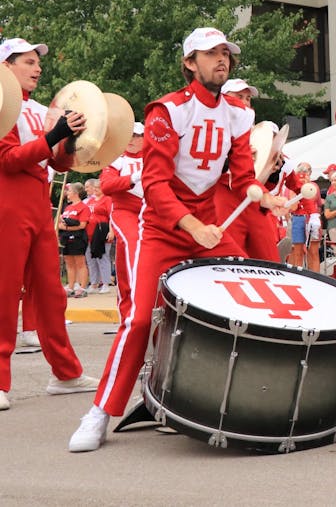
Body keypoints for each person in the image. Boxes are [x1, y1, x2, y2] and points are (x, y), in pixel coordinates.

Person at [69, 27, 283, 451]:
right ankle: (99, 412)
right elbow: (156, 184)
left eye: (226, 53)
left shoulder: (239, 115)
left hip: (209, 228)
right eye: (210, 54)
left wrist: (263, 196)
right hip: (165, 231)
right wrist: (191, 226)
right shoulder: (167, 111)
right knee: (141, 319)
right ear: (189, 63)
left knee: (256, 295)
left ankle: (251, 398)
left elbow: (240, 178)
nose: (221, 59)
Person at [1, 36, 100, 412]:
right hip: (7, 199)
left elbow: (59, 164)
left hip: (38, 203)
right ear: (6, 67)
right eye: (28, 61)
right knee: (5, 291)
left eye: (37, 61)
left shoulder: (42, 109)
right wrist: (55, 135)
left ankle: (65, 372)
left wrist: (68, 140)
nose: (37, 68)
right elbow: (8, 160)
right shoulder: (2, 104)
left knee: (51, 292)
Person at [214, 80, 287, 261]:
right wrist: (230, 158)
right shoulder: (213, 127)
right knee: (229, 261)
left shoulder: (254, 133)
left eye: (248, 98)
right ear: (223, 99)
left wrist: (273, 168)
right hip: (224, 199)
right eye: (239, 97)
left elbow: (263, 182)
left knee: (268, 260)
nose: (245, 102)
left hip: (253, 201)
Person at [99, 122, 145, 326]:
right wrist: (134, 177)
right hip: (125, 210)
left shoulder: (156, 157)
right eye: (129, 135)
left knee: (126, 261)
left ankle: (136, 313)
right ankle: (131, 313)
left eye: (137, 136)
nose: (132, 140)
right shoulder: (117, 160)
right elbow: (106, 185)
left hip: (153, 212)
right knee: (133, 247)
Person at [58, 181, 91, 298]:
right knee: (69, 262)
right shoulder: (68, 207)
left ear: (76, 193)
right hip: (66, 237)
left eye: (70, 191)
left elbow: (82, 225)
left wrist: (66, 226)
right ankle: (71, 286)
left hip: (78, 237)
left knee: (80, 262)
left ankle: (82, 287)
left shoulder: (83, 207)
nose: (67, 193)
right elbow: (61, 220)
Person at [287, 162, 321, 272]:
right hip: (298, 217)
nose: (303, 174)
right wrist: (297, 192)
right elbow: (293, 207)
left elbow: (318, 203)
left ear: (310, 173)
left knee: (313, 252)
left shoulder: (314, 186)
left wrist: (306, 186)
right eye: (300, 172)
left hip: (311, 218)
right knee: (298, 252)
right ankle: (299, 275)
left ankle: (316, 277)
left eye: (305, 171)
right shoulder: (294, 187)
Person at [82, 178, 113, 293]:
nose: (95, 190)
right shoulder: (91, 201)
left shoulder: (107, 200)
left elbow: (112, 216)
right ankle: (94, 283)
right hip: (90, 234)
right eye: (94, 188)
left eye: (97, 188)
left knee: (102, 257)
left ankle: (105, 283)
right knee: (90, 259)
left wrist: (111, 231)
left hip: (101, 232)